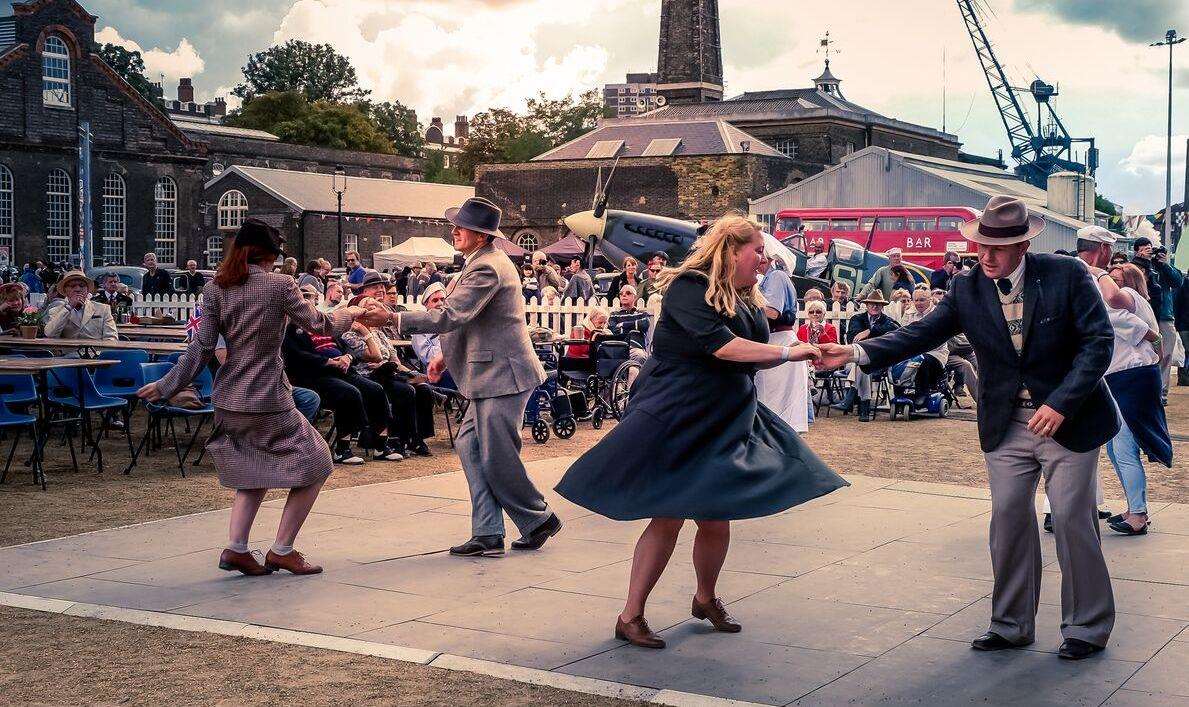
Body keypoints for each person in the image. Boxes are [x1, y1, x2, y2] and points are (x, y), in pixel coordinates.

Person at [818, 195, 1117, 661]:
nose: (985, 256)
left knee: (1074, 523)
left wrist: (1061, 402)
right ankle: (1012, 624)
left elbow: (1098, 343)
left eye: (996, 248)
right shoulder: (966, 287)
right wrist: (857, 353)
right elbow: (919, 333)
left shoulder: (1067, 275)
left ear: (1022, 245)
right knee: (1008, 523)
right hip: (1006, 423)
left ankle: (1086, 627)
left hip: (1069, 421)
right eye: (979, 246)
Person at [555, 214, 847, 650]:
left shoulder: (747, 297)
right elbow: (720, 346)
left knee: (716, 513)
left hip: (726, 411)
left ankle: (705, 598)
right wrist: (788, 351)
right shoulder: (690, 288)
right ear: (731, 250)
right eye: (758, 251)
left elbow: (750, 356)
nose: (763, 259)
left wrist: (794, 353)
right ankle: (630, 615)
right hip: (680, 411)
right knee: (669, 512)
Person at [137, 219, 387, 576]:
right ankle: (282, 549)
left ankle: (236, 548)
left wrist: (166, 386)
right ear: (268, 254)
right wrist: (357, 311)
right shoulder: (281, 285)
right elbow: (321, 325)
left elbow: (201, 348)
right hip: (268, 396)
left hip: (229, 397)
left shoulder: (215, 289)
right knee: (318, 463)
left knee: (252, 469)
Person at [390, 197, 559, 558]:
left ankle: (537, 517)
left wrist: (395, 319)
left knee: (497, 457)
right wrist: (441, 357)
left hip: (503, 376)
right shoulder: (482, 262)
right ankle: (488, 531)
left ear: (481, 235)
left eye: (461, 226)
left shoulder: (487, 268)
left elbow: (452, 314)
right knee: (470, 447)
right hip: (491, 374)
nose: (454, 231)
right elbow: (471, 321)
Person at [1076, 229, 1171, 536]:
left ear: (1129, 282)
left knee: (1124, 448)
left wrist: (1098, 272)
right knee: (1118, 449)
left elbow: (1133, 321)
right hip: (1126, 378)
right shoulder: (1129, 303)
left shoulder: (1126, 297)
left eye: (1117, 276)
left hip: (1129, 378)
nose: (1110, 281)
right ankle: (1134, 509)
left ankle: (1138, 514)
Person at [755, 245, 809, 433]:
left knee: (776, 401)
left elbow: (772, 312)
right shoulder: (767, 279)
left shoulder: (776, 276)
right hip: (774, 339)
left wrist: (745, 301)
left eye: (761, 254)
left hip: (779, 338)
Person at [836, 291, 899, 421]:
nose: (875, 306)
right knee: (862, 364)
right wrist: (876, 340)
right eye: (872, 304)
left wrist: (870, 331)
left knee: (863, 365)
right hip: (855, 361)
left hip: (878, 363)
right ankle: (864, 409)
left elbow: (895, 331)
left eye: (878, 304)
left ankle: (850, 398)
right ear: (867, 305)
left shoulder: (888, 321)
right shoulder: (857, 319)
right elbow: (853, 338)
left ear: (882, 306)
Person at [899, 289, 948, 409]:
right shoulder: (909, 313)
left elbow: (939, 340)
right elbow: (903, 333)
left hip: (936, 353)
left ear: (930, 300)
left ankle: (923, 394)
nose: (918, 303)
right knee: (897, 359)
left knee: (923, 360)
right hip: (913, 350)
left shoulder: (938, 313)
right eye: (916, 300)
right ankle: (899, 394)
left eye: (922, 300)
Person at [43, 272, 118, 341]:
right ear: (65, 290)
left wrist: (103, 353)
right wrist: (69, 307)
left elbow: (111, 337)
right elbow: (49, 334)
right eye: (72, 286)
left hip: (96, 353)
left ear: (87, 290)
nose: (77, 289)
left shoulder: (103, 309)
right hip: (68, 354)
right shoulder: (56, 310)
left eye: (82, 286)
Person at [1150, 247, 1183, 401]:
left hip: (1164, 316)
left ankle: (1162, 393)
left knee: (1166, 355)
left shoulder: (1164, 268)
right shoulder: (1141, 266)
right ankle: (1149, 390)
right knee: (1147, 354)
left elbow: (1177, 281)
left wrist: (1165, 265)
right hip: (1147, 315)